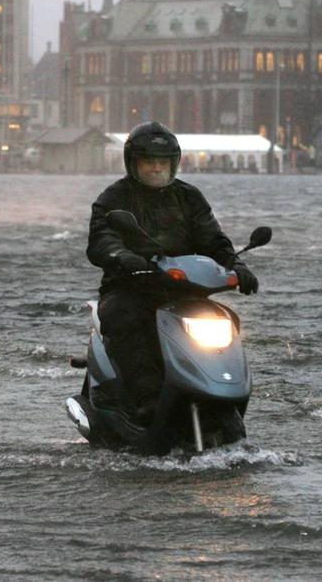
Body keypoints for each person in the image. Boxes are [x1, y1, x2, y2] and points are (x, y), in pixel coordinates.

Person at [86, 121, 259, 423]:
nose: (156, 168)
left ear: (174, 164)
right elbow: (102, 238)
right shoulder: (113, 198)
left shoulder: (189, 197)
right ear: (133, 164)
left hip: (184, 289)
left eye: (162, 162)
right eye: (149, 162)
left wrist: (237, 266)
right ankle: (147, 397)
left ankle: (227, 390)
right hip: (132, 287)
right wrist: (122, 256)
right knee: (123, 317)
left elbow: (213, 239)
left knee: (226, 319)